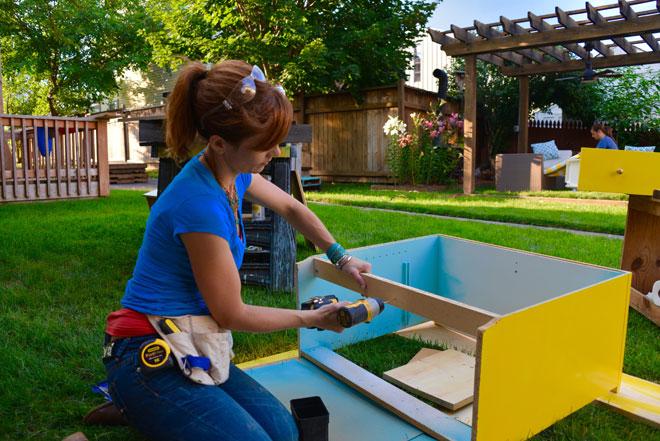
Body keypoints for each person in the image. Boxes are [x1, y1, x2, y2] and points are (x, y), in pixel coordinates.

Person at [102, 60, 372, 441]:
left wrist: (341, 257)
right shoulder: (198, 204)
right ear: (218, 143)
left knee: (284, 432)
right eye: (264, 145)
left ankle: (155, 406)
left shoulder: (234, 171)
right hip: (148, 344)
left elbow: (293, 207)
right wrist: (311, 319)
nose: (276, 151)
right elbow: (231, 313)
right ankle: (140, 397)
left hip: (193, 338)